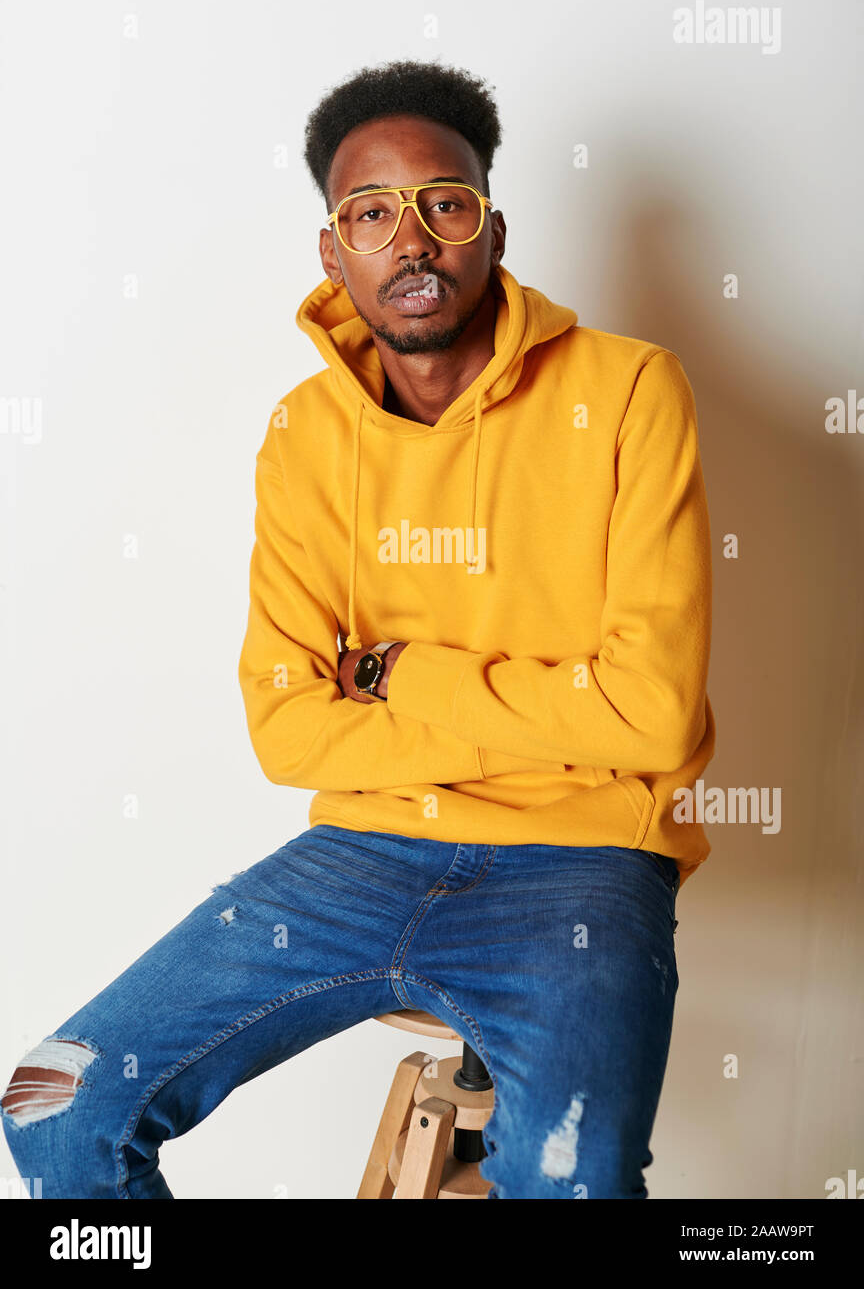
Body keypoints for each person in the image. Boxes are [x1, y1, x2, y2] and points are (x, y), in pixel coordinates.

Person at [1, 59, 715, 1199]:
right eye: (371, 214)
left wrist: (403, 671)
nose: (413, 240)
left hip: (583, 862)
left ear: (491, 227)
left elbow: (652, 711)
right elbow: (291, 735)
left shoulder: (629, 391)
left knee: (565, 1177)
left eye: (446, 203)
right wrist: (563, 716)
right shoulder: (304, 435)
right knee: (57, 1102)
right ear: (334, 253)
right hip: (362, 855)